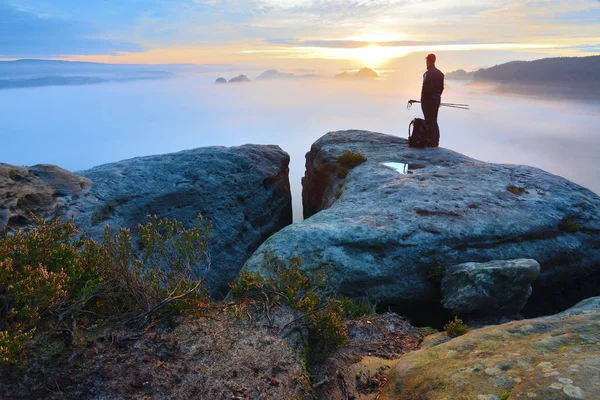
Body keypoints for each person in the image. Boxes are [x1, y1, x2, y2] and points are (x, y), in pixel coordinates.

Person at [421, 53, 444, 147]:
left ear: (429, 61)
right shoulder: (440, 74)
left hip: (427, 101)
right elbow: (441, 88)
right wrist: (437, 97)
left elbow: (425, 88)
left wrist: (424, 100)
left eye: (426, 60)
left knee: (429, 120)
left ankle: (430, 141)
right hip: (436, 101)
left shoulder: (427, 74)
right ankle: (435, 141)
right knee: (434, 120)